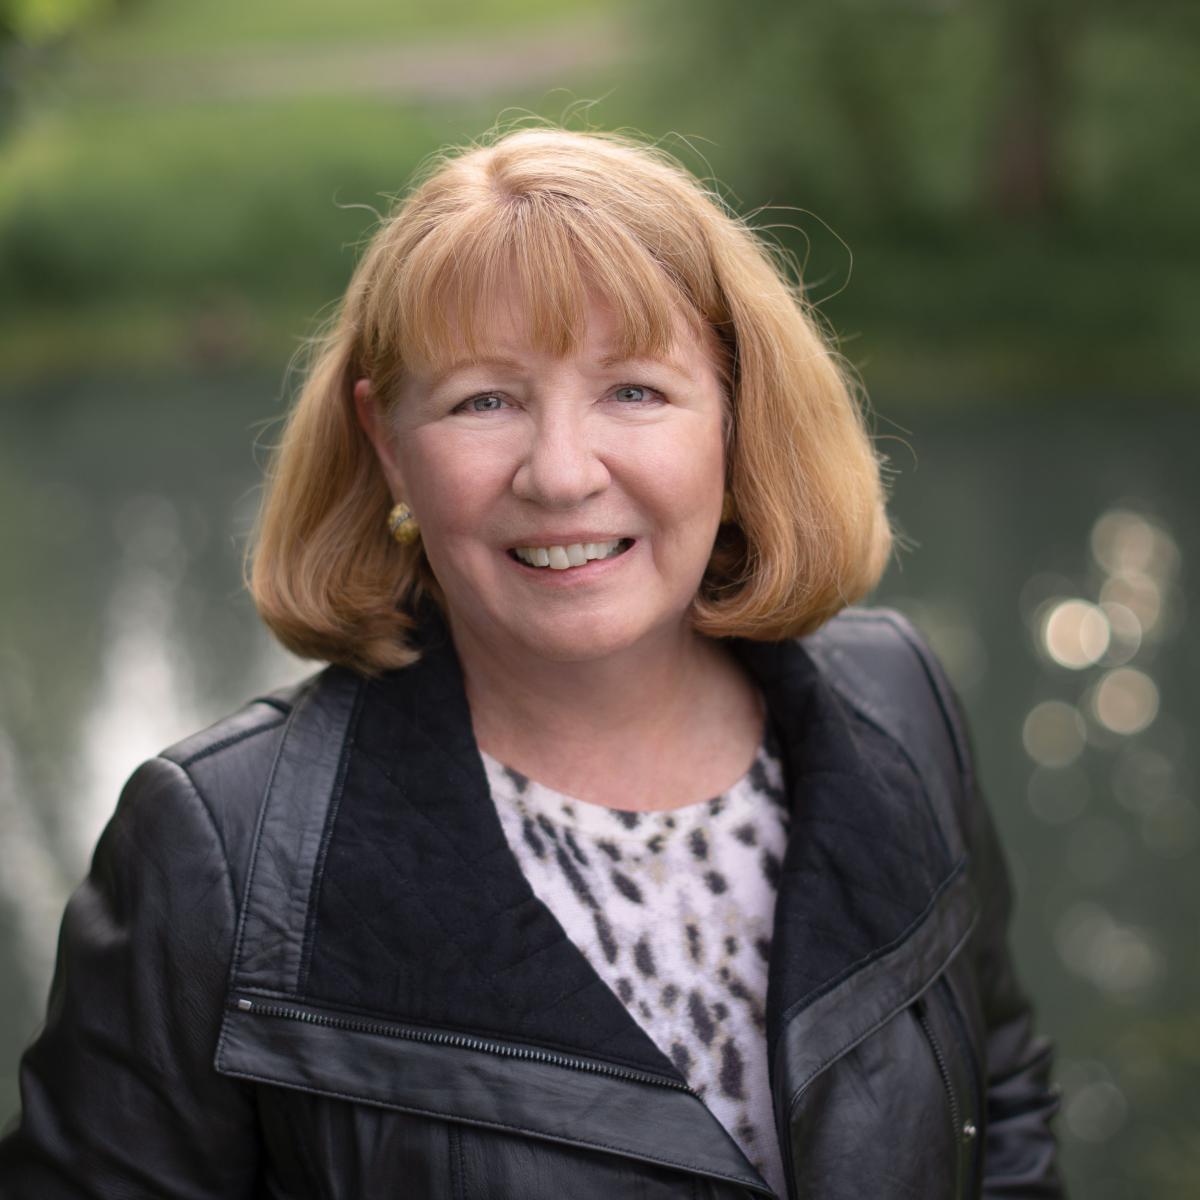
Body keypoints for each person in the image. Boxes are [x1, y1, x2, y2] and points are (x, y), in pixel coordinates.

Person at [0, 126, 1063, 1198]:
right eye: (485, 401)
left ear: (737, 413)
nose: (560, 475)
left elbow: (1004, 1100)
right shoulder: (215, 850)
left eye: (635, 391)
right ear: (386, 441)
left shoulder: (899, 701)